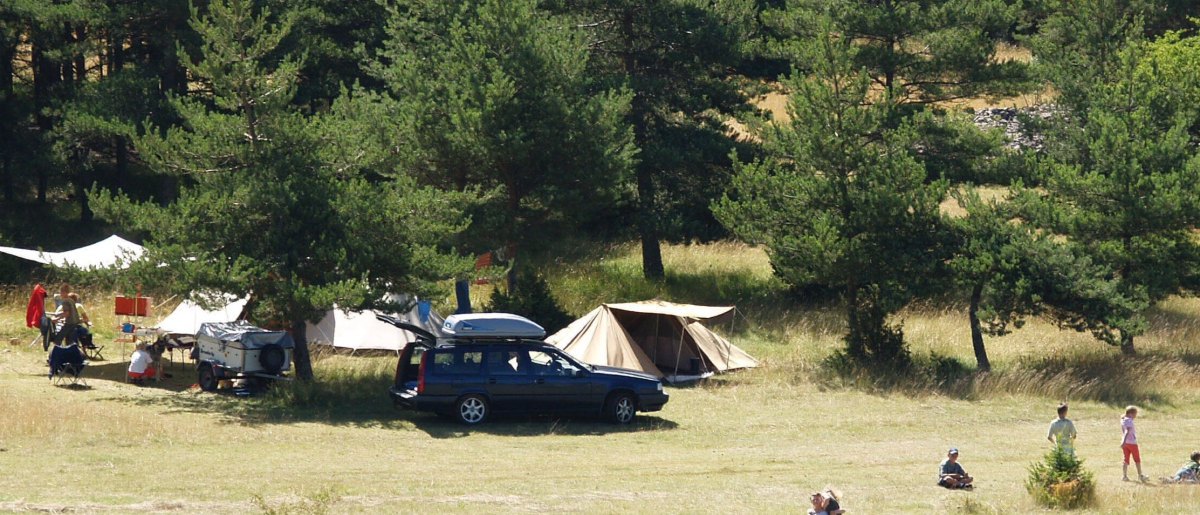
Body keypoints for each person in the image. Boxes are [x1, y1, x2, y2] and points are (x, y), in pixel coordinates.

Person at [1121, 405, 1148, 482]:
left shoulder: (1123, 420)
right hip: (1132, 442)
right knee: (1137, 459)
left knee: (1125, 459)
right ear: (1131, 413)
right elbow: (1127, 431)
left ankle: (1124, 475)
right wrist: (1124, 440)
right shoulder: (1129, 421)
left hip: (1125, 443)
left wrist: (1123, 441)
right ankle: (1140, 475)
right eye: (1135, 414)